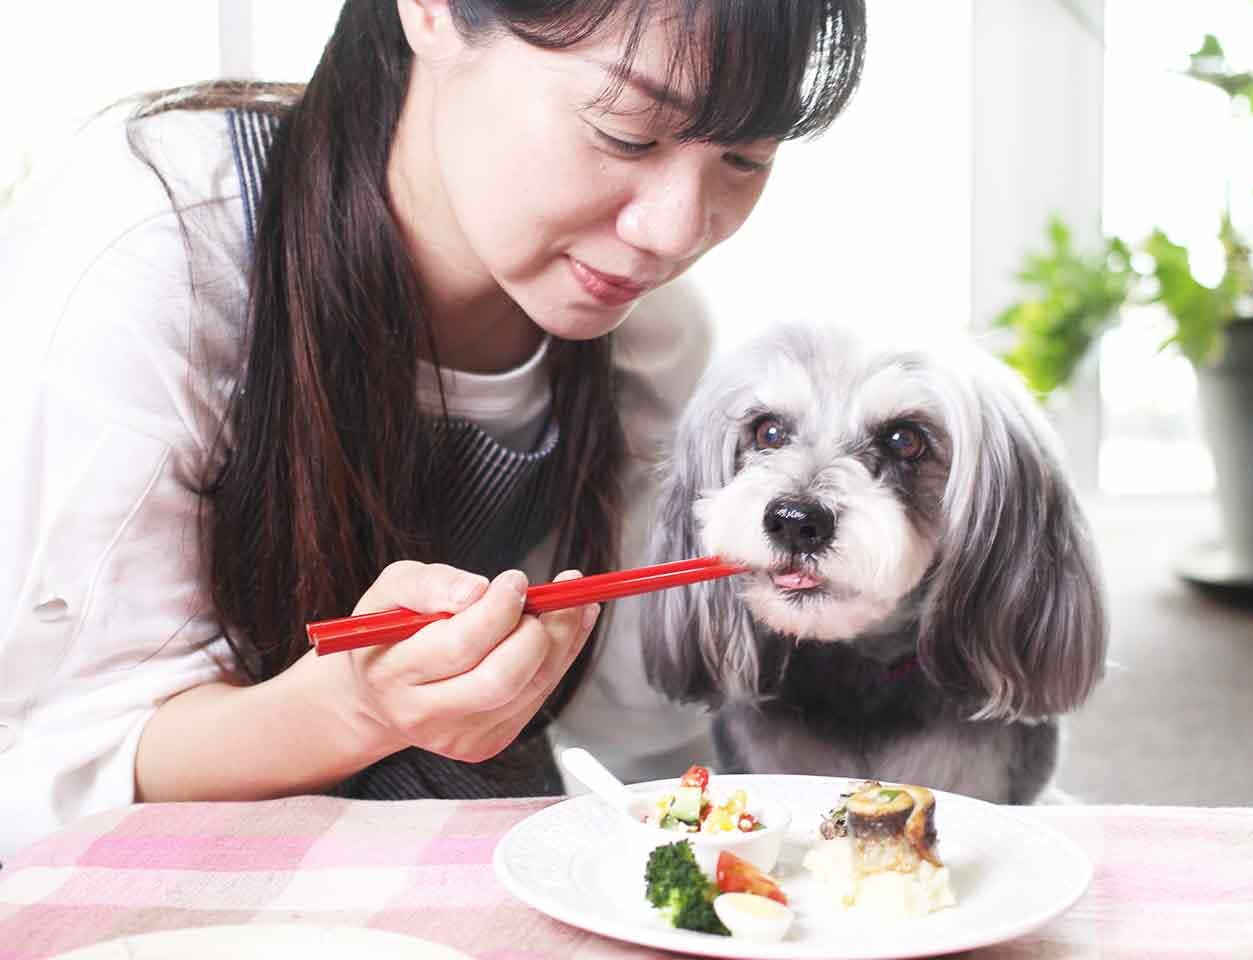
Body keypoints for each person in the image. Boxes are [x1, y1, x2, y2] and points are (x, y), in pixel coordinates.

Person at [0, 0, 865, 858]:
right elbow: (59, 762)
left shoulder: (648, 339)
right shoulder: (169, 245)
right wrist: (355, 707)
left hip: (483, 874)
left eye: (746, 159)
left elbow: (640, 724)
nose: (677, 229)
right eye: (627, 135)